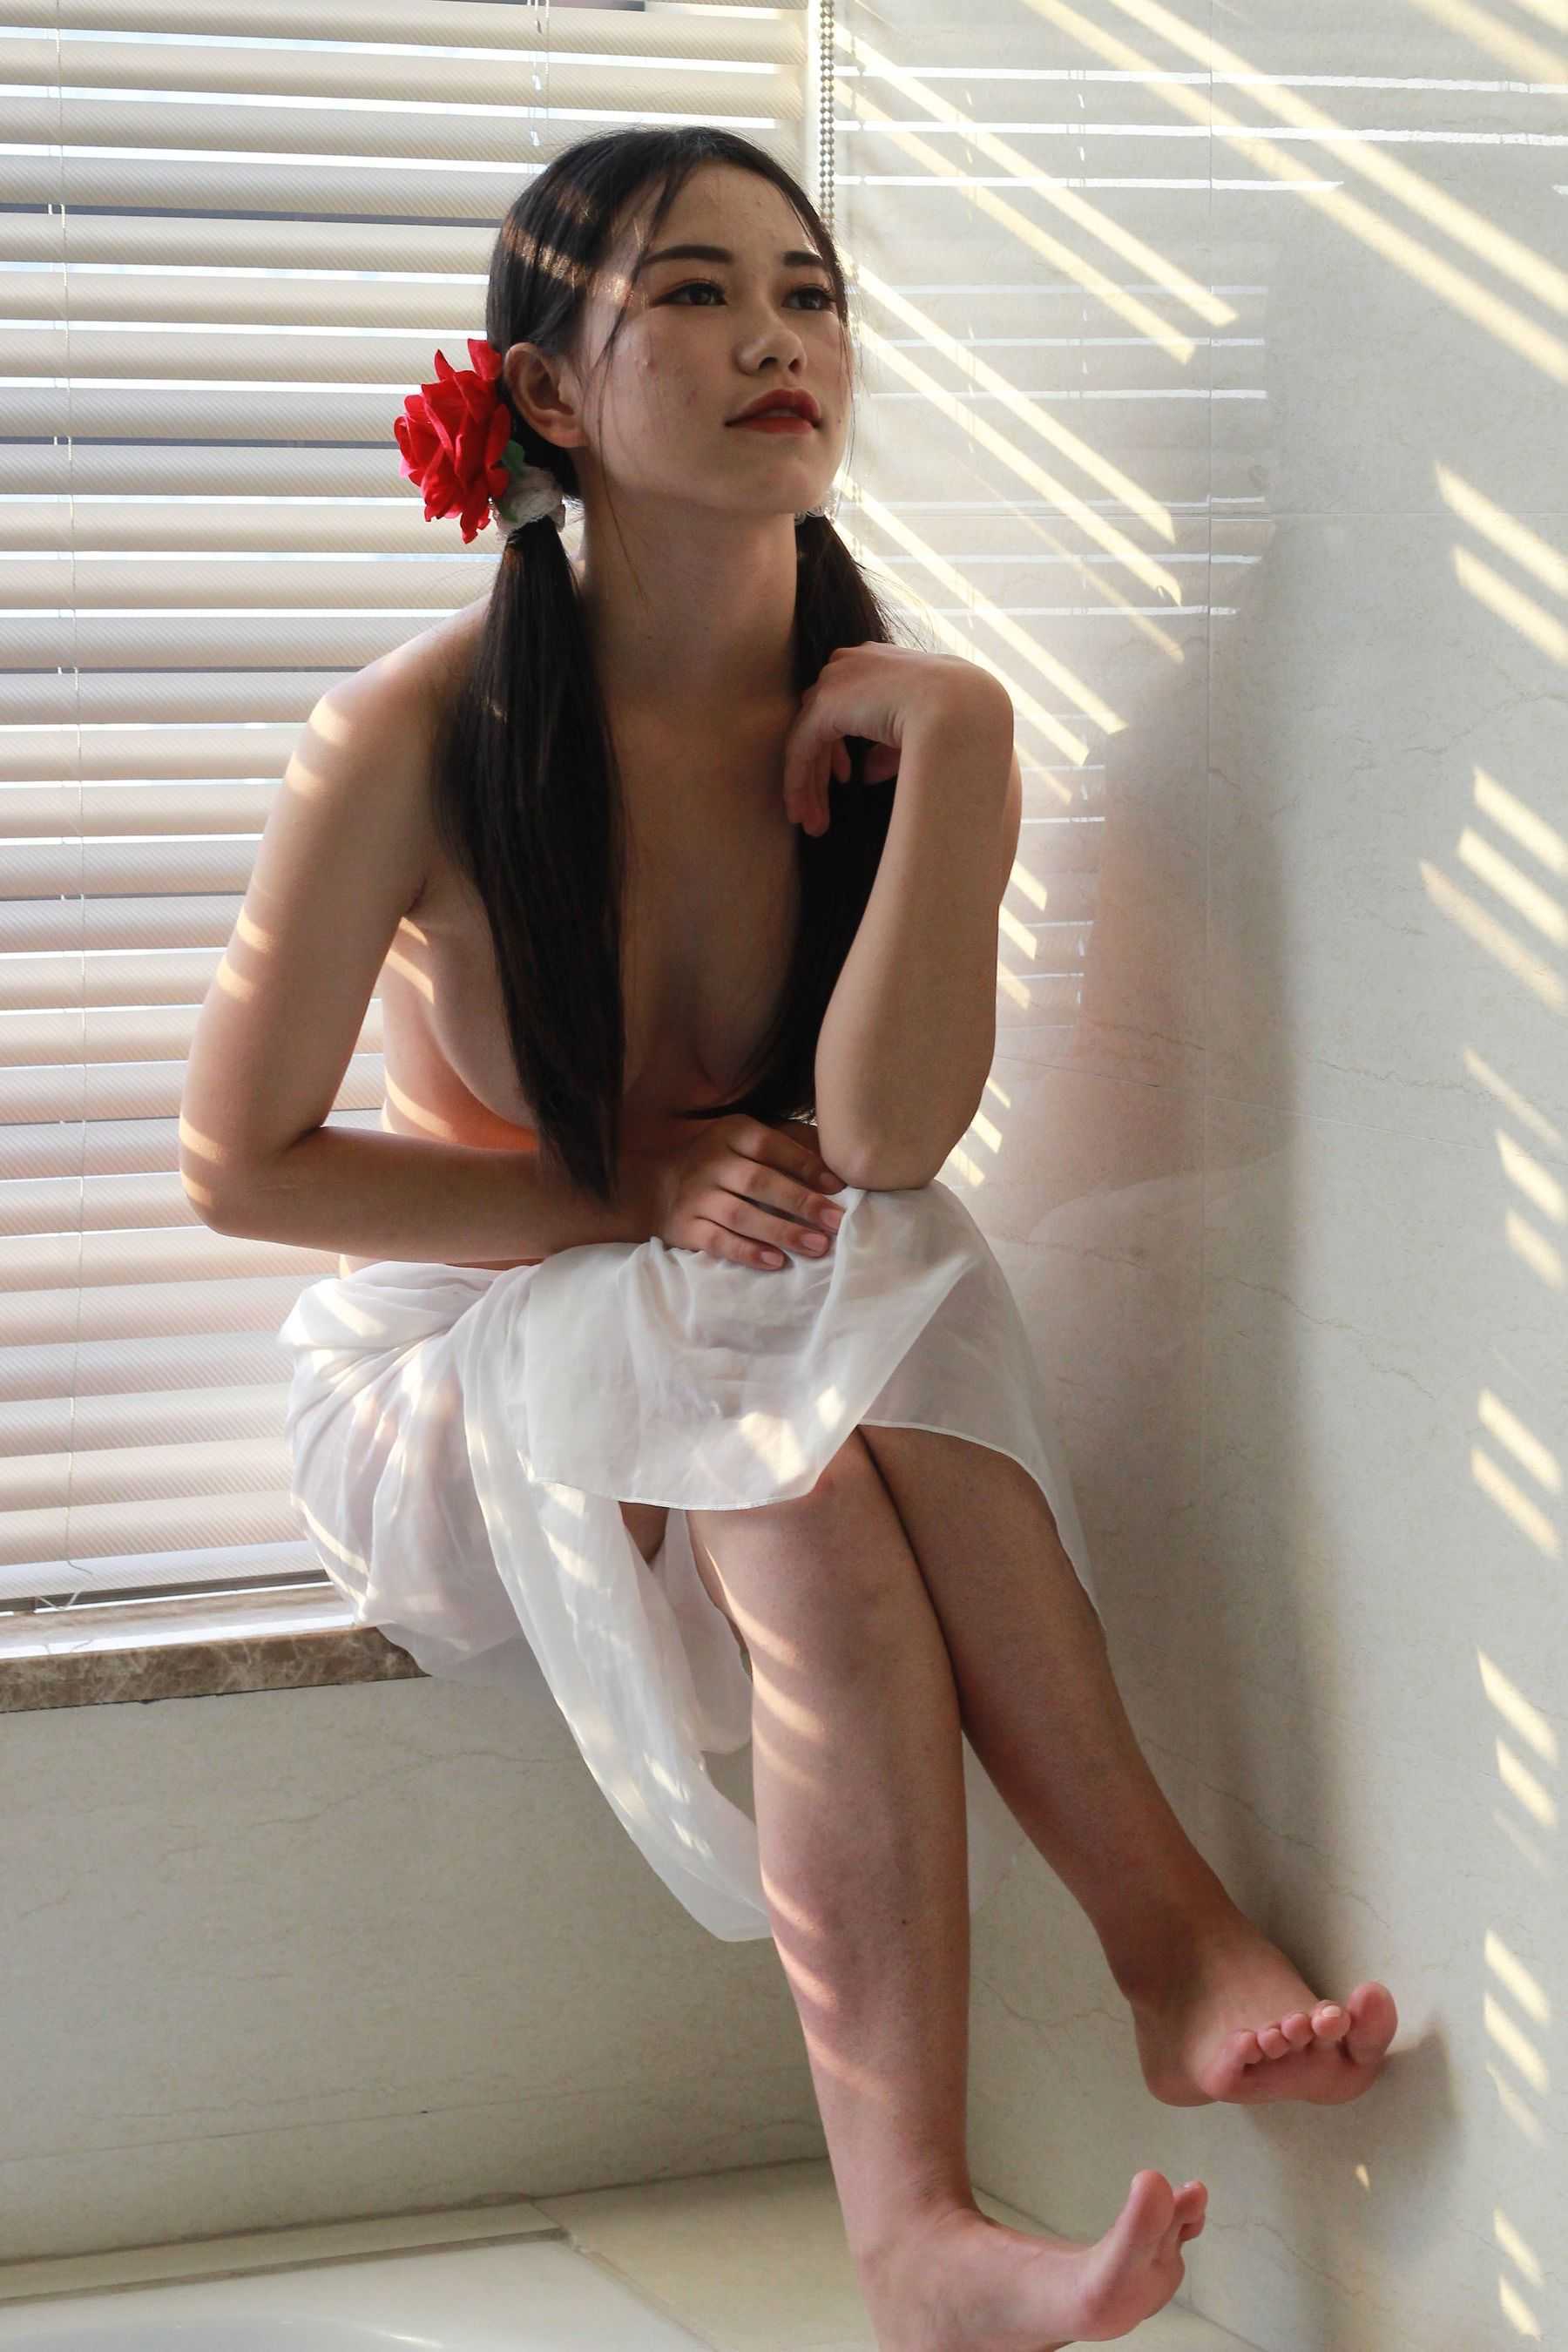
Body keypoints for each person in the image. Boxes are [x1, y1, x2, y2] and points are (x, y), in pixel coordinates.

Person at [182, 125, 1397, 2349]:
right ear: (548, 392)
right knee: (793, 1432)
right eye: (698, 294)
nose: (778, 341)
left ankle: (1042, 2096)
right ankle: (1051, 2069)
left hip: (735, 1334)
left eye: (811, 294)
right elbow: (241, 1166)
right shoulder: (414, 738)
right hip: (456, 1353)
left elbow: (885, 1137)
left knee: (874, 1266)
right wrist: (628, 1193)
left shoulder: (881, 710)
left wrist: (971, 743)